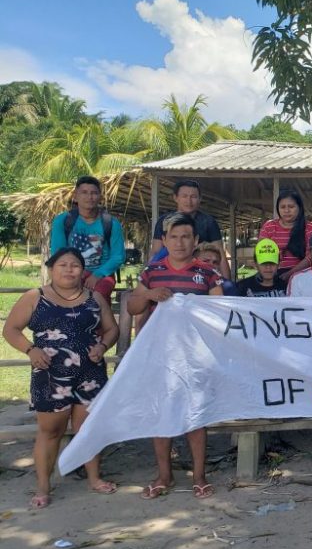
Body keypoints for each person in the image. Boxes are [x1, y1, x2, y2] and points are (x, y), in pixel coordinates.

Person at [3, 248, 119, 508]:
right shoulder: (35, 297)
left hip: (90, 373)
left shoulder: (95, 297)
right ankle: (43, 487)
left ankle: (94, 478)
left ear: (82, 270)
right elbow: (10, 329)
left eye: (75, 265)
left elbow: (111, 329)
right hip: (50, 374)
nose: (69, 269)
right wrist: (30, 350)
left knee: (88, 429)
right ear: (52, 269)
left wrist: (102, 347)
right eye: (63, 265)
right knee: (50, 431)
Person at [127, 213, 224, 500]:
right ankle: (164, 475)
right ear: (165, 240)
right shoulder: (152, 272)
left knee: (195, 416)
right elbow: (133, 307)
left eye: (185, 237)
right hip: (161, 354)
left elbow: (220, 311)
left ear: (195, 241)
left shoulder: (207, 273)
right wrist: (148, 295)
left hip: (195, 354)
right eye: (174, 236)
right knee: (162, 414)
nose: (180, 242)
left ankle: (199, 476)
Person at [49, 175, 126, 304]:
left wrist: (97, 275)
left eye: (94, 193)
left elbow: (118, 256)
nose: (89, 197)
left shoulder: (111, 223)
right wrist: (78, 273)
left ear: (100, 196)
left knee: (96, 299)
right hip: (71, 271)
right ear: (76, 196)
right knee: (61, 299)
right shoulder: (62, 221)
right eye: (84, 192)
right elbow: (58, 253)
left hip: (102, 274)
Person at [150, 180, 230, 277]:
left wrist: (227, 284)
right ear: (175, 198)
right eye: (184, 196)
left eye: (193, 197)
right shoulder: (164, 221)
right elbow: (156, 252)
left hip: (201, 275)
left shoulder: (209, 222)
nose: (189, 201)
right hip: (170, 273)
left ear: (200, 199)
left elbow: (219, 253)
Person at [258, 190, 312, 281]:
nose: (286, 210)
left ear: (299, 207)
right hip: (273, 276)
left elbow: (311, 256)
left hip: (302, 276)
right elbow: (261, 253)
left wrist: (290, 274)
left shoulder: (310, 228)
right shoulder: (269, 226)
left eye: (291, 206)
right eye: (282, 207)